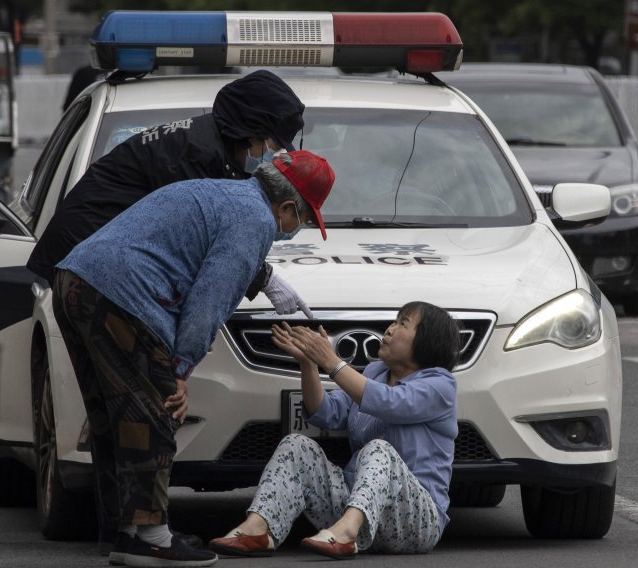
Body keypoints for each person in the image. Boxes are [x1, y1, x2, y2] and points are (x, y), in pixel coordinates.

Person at [51, 150, 335, 567]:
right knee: (157, 415)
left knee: (115, 419)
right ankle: (152, 539)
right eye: (304, 220)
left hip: (75, 280)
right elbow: (208, 305)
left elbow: (189, 243)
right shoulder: (255, 220)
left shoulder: (225, 192)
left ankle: (122, 533)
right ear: (287, 207)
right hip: (121, 296)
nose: (298, 228)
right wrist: (180, 370)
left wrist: (262, 277)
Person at [28, 69, 313, 317]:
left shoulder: (212, 146)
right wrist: (264, 277)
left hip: (99, 256)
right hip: (84, 255)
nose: (274, 154)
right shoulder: (197, 156)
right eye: (273, 143)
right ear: (251, 129)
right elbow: (206, 241)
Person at [209, 301, 461, 559]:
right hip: (356, 509)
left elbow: (389, 403)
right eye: (394, 321)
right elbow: (324, 412)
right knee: (296, 445)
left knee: (378, 449)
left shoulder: (440, 385)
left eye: (403, 323)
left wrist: (331, 361)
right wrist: (309, 364)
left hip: (416, 523)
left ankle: (348, 532)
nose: (390, 329)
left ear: (427, 341)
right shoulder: (375, 373)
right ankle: (258, 529)